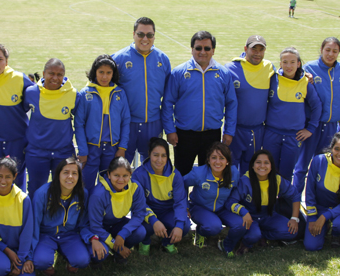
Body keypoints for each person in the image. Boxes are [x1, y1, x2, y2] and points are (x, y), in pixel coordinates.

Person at [162, 30, 238, 176]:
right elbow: (167, 103)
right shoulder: (178, 73)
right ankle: (182, 200)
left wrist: (229, 131)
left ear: (213, 50)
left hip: (212, 135)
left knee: (209, 175)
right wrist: (170, 130)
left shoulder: (223, 74)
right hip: (184, 135)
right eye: (198, 48)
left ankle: (203, 200)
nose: (202, 52)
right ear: (192, 49)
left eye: (207, 48)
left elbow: (231, 104)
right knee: (182, 175)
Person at [112, 17, 171, 164]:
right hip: (126, 124)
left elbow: (169, 98)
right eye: (140, 34)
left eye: (149, 35)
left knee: (152, 169)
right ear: (133, 34)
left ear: (154, 36)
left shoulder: (162, 59)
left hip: (153, 124)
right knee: (121, 169)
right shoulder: (119, 59)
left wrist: (169, 127)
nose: (145, 38)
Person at [293, 37, 340, 195]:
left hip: (331, 127)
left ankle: (316, 200)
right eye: (327, 50)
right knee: (301, 166)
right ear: (321, 50)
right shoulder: (310, 68)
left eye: (334, 51)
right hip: (311, 126)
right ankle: (293, 201)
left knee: (323, 167)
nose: (330, 54)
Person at [0, 43, 35, 192]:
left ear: (7, 61)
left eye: (0, 59)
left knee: (17, 183)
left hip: (17, 140)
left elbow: (36, 100)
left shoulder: (19, 79)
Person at [225, 150, 305, 253]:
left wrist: (294, 218)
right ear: (252, 166)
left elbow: (295, 195)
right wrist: (243, 212)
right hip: (250, 218)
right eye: (258, 162)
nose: (262, 166)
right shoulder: (245, 181)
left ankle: (263, 236)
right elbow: (230, 201)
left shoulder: (277, 180)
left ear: (271, 166)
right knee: (253, 236)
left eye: (266, 163)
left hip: (269, 216)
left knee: (291, 232)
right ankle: (248, 240)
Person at [263, 47, 322, 184]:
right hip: (272, 134)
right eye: (285, 62)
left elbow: (317, 106)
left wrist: (310, 129)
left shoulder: (305, 82)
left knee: (286, 174)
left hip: (294, 137)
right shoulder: (273, 79)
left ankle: (284, 203)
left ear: (298, 64)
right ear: (280, 63)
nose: (289, 66)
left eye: (292, 62)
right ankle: (268, 202)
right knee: (268, 171)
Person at [75, 55, 131, 189]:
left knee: (108, 185)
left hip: (112, 148)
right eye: (101, 72)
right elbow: (79, 124)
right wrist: (83, 150)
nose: (104, 77)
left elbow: (125, 121)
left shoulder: (119, 93)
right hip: (90, 148)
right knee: (85, 185)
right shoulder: (85, 94)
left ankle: (105, 210)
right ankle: (85, 209)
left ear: (113, 74)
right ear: (95, 72)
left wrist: (122, 147)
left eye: (108, 73)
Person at [24, 58, 78, 197]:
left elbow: (80, 122)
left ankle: (60, 219)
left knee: (64, 192)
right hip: (36, 152)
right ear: (43, 74)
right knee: (36, 191)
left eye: (59, 75)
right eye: (51, 73)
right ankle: (36, 219)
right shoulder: (31, 92)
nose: (55, 78)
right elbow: (19, 114)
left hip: (63, 153)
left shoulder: (72, 94)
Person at [33, 158, 96, 275]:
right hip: (46, 235)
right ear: (58, 175)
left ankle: (68, 257)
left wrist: (92, 238)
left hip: (69, 235)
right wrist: (30, 250)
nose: (70, 177)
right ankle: (47, 261)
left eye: (74, 173)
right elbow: (34, 224)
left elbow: (83, 223)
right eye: (66, 172)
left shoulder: (83, 194)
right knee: (41, 261)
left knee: (82, 261)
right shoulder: (42, 194)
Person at [304, 132, 340, 251]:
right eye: (337, 149)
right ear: (331, 148)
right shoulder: (318, 161)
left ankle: (336, 234)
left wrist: (324, 217)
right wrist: (312, 218)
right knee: (311, 246)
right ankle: (324, 228)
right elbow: (309, 192)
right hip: (320, 208)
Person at [224, 35, 275, 175]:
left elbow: (285, 78)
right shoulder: (231, 68)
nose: (257, 53)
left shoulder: (269, 68)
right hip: (235, 131)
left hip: (257, 131)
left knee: (251, 170)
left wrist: (304, 76)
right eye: (254, 49)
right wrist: (228, 131)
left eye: (261, 49)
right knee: (231, 170)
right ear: (246, 49)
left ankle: (247, 196)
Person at [132, 138, 190, 255]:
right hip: (146, 213)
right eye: (156, 155)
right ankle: (145, 241)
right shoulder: (138, 175)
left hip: (167, 211)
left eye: (163, 156)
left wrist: (178, 225)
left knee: (185, 225)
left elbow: (180, 202)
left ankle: (167, 242)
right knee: (141, 230)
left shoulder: (175, 175)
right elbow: (139, 204)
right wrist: (154, 221)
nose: (159, 160)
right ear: (149, 154)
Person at [183, 142, 241, 254]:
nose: (217, 162)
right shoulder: (199, 173)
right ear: (208, 160)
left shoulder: (234, 173)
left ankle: (226, 245)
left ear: (227, 161)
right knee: (214, 226)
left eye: (221, 158)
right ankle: (201, 232)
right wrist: (185, 206)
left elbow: (236, 192)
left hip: (223, 208)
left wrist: (238, 208)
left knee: (241, 223)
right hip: (200, 208)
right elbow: (180, 184)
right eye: (214, 158)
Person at [87, 157, 146, 265]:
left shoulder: (135, 187)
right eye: (116, 175)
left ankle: (119, 253)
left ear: (130, 174)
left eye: (125, 176)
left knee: (140, 231)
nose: (121, 180)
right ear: (109, 174)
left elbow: (139, 213)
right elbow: (95, 226)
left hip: (117, 224)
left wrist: (122, 234)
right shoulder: (98, 194)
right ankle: (115, 249)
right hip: (99, 229)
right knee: (100, 255)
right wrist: (114, 243)